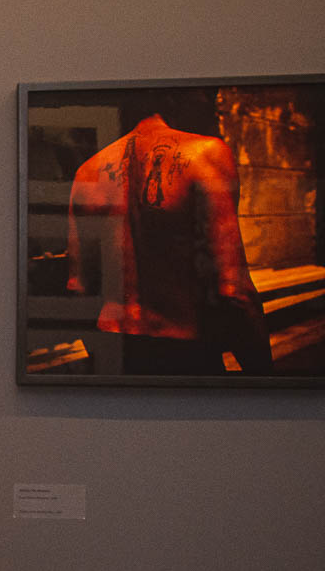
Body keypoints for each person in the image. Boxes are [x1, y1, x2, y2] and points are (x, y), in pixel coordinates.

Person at [66, 110, 271, 375]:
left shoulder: (87, 172)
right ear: (175, 98)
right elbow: (234, 291)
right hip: (183, 355)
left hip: (112, 353)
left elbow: (78, 287)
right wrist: (264, 379)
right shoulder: (205, 153)